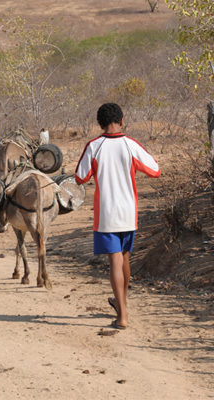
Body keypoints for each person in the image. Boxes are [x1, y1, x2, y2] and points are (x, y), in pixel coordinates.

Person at [75, 103, 161, 329]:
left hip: (107, 213)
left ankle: (122, 316)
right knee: (124, 258)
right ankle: (121, 303)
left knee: (114, 260)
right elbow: (155, 170)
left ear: (99, 124)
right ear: (122, 121)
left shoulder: (94, 146)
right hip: (129, 212)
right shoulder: (131, 145)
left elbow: (80, 177)